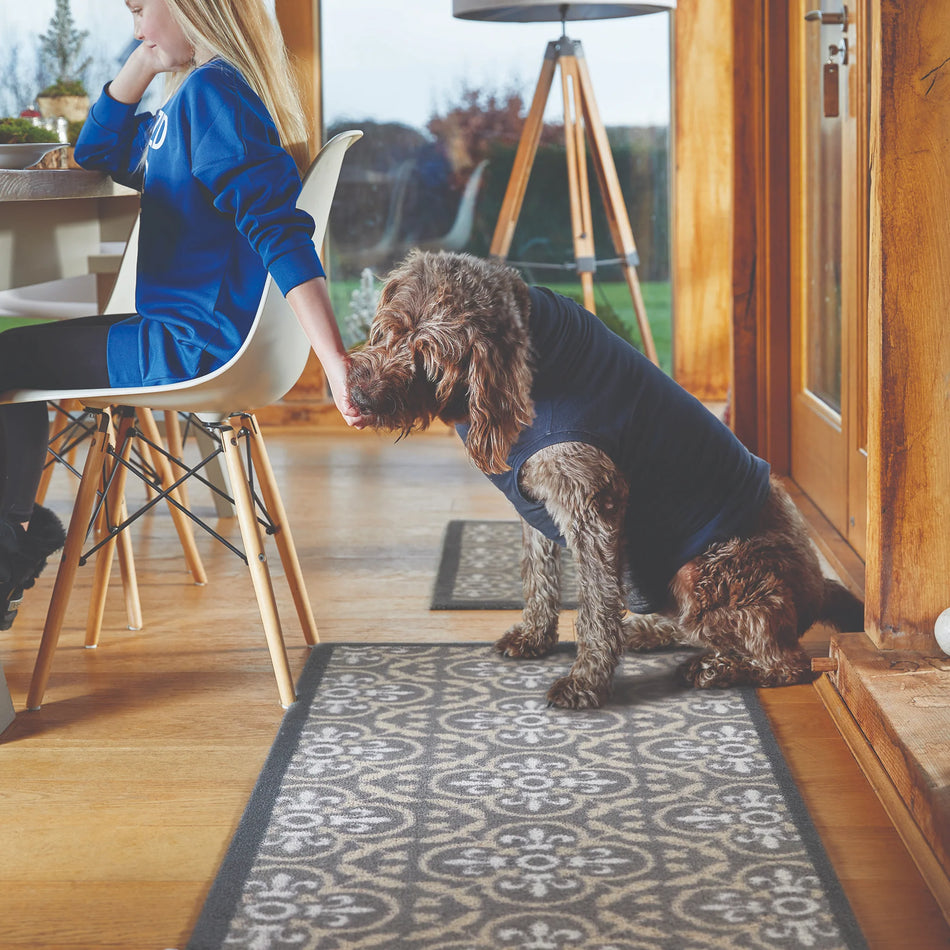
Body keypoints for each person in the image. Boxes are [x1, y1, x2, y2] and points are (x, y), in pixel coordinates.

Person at [0, 0, 364, 629]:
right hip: (179, 334)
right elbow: (96, 154)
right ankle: (11, 541)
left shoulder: (214, 96)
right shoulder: (189, 101)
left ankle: (6, 554)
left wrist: (334, 363)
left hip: (186, 344)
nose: (134, 26)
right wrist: (144, 59)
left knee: (7, 351)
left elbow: (280, 231)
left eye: (141, 9)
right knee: (14, 344)